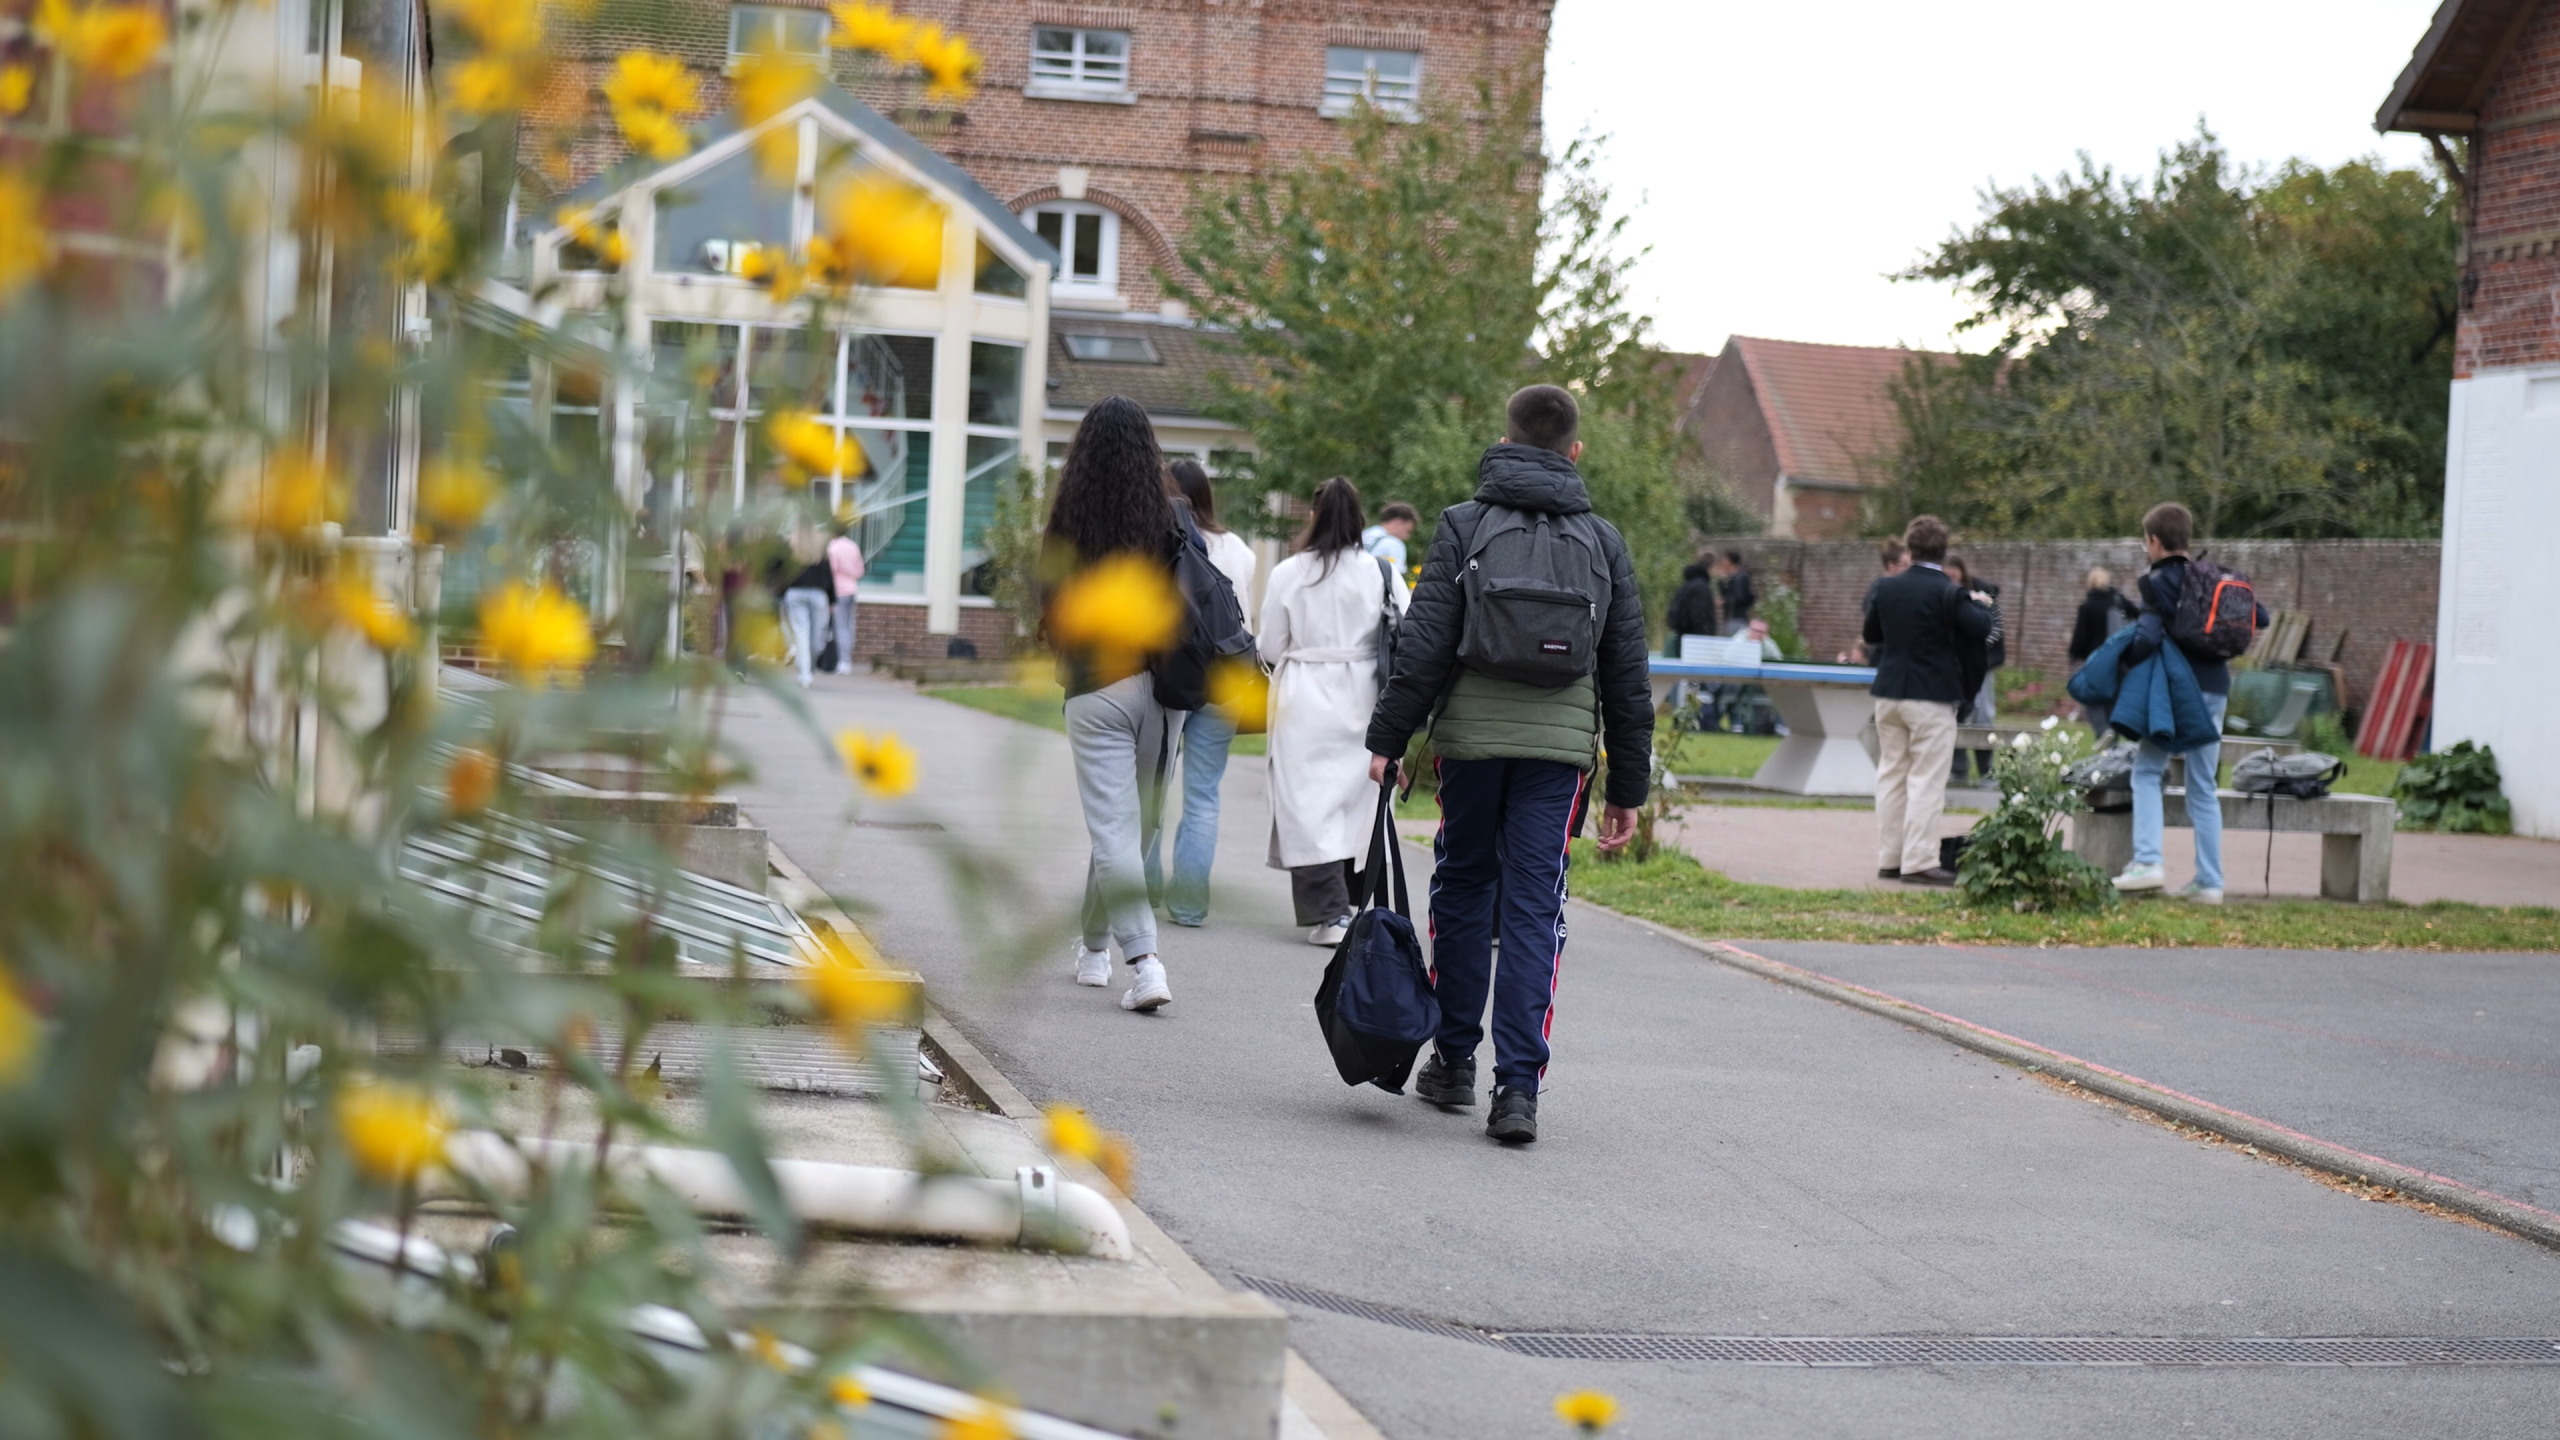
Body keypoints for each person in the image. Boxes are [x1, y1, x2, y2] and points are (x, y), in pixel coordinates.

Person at [1364, 384, 1651, 1146]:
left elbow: (1423, 645)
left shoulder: (1464, 525)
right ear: (1575, 452)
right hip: (1558, 758)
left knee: (1461, 887)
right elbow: (1626, 672)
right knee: (1533, 907)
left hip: (1471, 746)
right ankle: (1517, 1091)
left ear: (1506, 439)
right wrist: (1628, 784)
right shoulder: (1605, 542)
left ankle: (1454, 1060)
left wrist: (1388, 738)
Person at [1044, 396, 1186, 1013]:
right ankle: (1124, 956)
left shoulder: (1067, 521)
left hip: (1095, 689)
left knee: (1115, 831)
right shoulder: (1168, 520)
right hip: (1160, 689)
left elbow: (1052, 606)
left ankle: (1119, 954)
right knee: (1132, 831)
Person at [1262, 478, 1410, 944]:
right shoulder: (1381, 571)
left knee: (1306, 804)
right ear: (1360, 519)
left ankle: (1329, 913)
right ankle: (1351, 904)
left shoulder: (1289, 572)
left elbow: (1269, 644)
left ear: (1313, 515)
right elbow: (1406, 632)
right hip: (1365, 694)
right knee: (1356, 802)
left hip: (1304, 694)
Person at [2113, 502, 2271, 906]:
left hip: (2174, 691)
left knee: (2147, 772)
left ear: (2153, 540)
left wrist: (2122, 660)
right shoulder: (2213, 576)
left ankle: (2148, 862)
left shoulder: (2158, 582)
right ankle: (2210, 882)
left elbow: (2147, 637)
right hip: (2216, 688)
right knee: (2202, 787)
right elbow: (2262, 616)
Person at [1145, 459, 1258, 927]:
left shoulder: (1158, 540)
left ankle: (1143, 889)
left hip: (1172, 680)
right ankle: (1189, 905)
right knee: (1203, 796)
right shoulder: (1241, 552)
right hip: (1224, 683)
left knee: (1151, 787)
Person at [1863, 515, 1995, 885]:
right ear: (1944, 550)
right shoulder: (1948, 592)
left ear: (1910, 548)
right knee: (1926, 779)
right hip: (1931, 696)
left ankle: (1890, 857)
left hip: (1889, 694)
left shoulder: (1885, 588)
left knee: (1891, 774)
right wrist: (1981, 602)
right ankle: (1919, 860)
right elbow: (1982, 628)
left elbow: (1871, 633)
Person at [1944, 557, 2001, 786]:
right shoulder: (1945, 595)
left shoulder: (1981, 594)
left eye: (1954, 574)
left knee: (1983, 715)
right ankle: (1958, 768)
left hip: (1981, 664)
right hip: (1954, 667)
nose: (1951, 579)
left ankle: (1986, 770)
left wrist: (1972, 650)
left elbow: (1995, 629)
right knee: (1955, 713)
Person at [2067, 565, 2138, 738]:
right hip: (2118, 658)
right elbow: (2138, 614)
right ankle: (2112, 737)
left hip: (2096, 660)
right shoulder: (2118, 600)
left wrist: (2073, 655)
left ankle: (2103, 731)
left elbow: (2080, 638)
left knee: (2092, 699)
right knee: (2113, 699)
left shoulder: (2087, 607)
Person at [1663, 553, 1721, 720]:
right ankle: (1687, 716)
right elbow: (1699, 616)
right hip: (1696, 641)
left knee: (1684, 679)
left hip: (1683, 637)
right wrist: (1706, 638)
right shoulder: (1702, 588)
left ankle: (1681, 713)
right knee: (1693, 680)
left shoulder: (1686, 586)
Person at [775, 531, 835, 688]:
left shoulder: (790, 545)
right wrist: (832, 598)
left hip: (801, 592)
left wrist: (780, 592)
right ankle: (806, 672)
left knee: (807, 635)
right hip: (812, 593)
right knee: (810, 634)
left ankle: (805, 668)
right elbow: (828, 573)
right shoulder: (819, 546)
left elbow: (779, 570)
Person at [1838, 539, 1907, 665]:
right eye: (1905, 565)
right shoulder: (1877, 591)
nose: (1909, 570)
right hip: (1883, 660)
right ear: (1892, 566)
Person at [825, 522, 865, 675]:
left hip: (838, 591)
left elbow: (831, 572)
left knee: (840, 627)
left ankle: (844, 662)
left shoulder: (833, 549)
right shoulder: (853, 546)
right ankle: (847, 659)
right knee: (849, 626)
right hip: (852, 589)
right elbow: (860, 571)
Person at [1360, 501, 1419, 574]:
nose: (1407, 537)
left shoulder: (1363, 535)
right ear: (1398, 523)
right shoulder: (1393, 544)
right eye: (1408, 531)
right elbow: (1396, 576)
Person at [1717, 549, 1756, 635]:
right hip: (1733, 617)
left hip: (1736, 618)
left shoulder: (1739, 578)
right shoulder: (1732, 577)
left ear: (1729, 561)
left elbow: (1740, 597)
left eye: (1724, 560)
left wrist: (1724, 602)